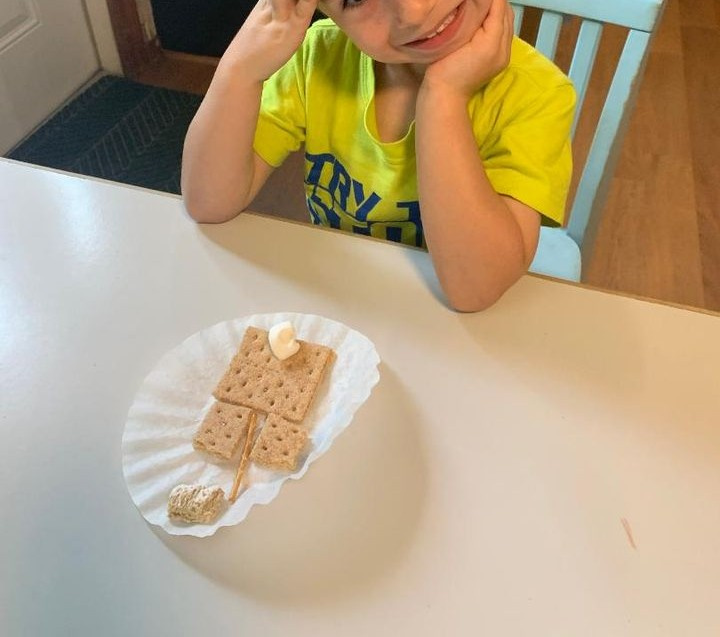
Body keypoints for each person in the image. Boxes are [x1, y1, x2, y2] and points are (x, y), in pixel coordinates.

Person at [181, 0, 576, 311]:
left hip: (449, 326)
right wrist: (240, 69)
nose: (413, 11)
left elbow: (475, 291)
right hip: (342, 298)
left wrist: (445, 96)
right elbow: (208, 202)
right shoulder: (317, 57)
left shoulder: (538, 95)